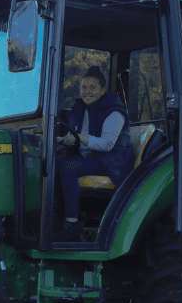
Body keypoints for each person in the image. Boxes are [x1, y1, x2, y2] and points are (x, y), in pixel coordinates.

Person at [54, 66, 132, 240]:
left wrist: (80, 138)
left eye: (93, 87)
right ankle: (55, 217)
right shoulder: (81, 109)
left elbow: (106, 144)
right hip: (91, 158)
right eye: (84, 87)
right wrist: (62, 139)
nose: (87, 92)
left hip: (111, 161)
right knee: (53, 165)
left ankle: (71, 223)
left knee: (68, 167)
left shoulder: (113, 112)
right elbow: (76, 134)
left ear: (102, 90)